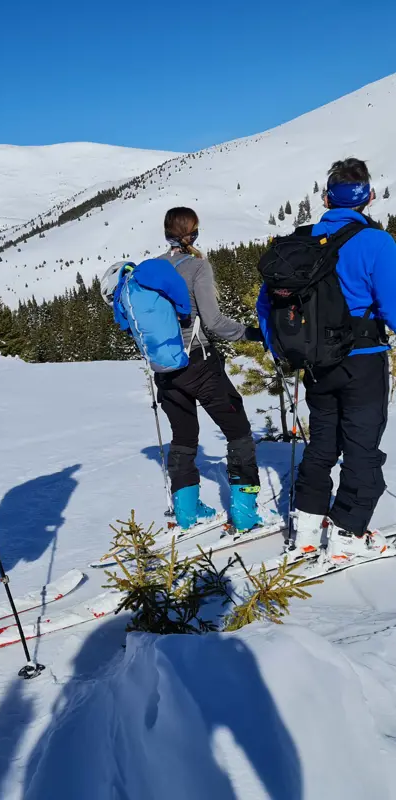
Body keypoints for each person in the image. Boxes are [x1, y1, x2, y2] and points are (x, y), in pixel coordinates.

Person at [258, 158, 396, 563]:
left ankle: (304, 527)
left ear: (325, 197)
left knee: (321, 444)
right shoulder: (377, 242)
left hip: (317, 364)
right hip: (364, 360)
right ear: (369, 197)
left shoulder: (300, 241)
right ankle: (347, 534)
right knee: (361, 447)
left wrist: (280, 348)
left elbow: (265, 305)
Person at [154, 207, 264, 533]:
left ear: (166, 233)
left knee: (184, 436)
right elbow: (214, 322)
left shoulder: (152, 269)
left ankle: (188, 513)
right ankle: (245, 512)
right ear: (194, 233)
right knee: (238, 430)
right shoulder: (196, 267)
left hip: (165, 369)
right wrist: (253, 334)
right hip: (199, 364)